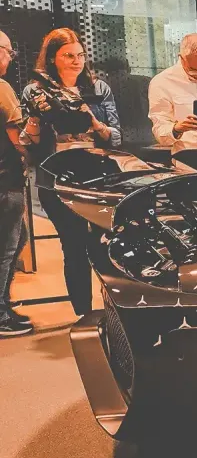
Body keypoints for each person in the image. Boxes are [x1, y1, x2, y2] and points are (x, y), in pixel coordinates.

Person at [20, 28, 121, 318]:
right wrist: (36, 118)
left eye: (80, 55)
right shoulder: (35, 91)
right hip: (57, 178)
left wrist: (93, 122)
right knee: (73, 246)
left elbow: (116, 136)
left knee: (104, 246)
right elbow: (29, 143)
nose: (77, 61)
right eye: (68, 56)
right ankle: (84, 315)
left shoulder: (98, 89)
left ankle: (115, 311)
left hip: (98, 177)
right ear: (53, 58)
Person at [0, 30, 30, 337]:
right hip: (5, 180)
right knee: (6, 249)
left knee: (17, 241)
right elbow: (18, 139)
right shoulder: (2, 88)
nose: (10, 58)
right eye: (8, 51)